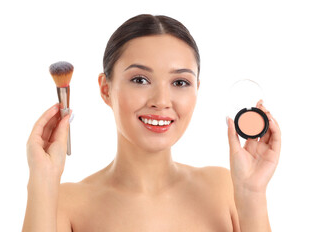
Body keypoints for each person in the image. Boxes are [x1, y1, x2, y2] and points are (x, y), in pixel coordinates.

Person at [22, 14, 281, 232]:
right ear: (105, 89)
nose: (161, 101)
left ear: (196, 90)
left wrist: (251, 194)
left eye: (180, 83)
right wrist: (42, 181)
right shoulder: (66, 204)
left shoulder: (225, 189)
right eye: (140, 80)